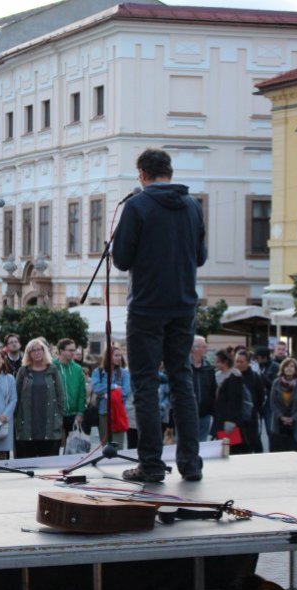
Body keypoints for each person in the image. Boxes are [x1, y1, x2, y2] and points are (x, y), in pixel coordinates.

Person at [111, 148, 206, 483]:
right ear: (169, 171)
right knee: (182, 382)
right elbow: (201, 257)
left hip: (147, 308)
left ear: (141, 173)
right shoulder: (193, 206)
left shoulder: (136, 206)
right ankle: (190, 463)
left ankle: (151, 465)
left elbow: (121, 260)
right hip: (183, 306)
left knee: (146, 384)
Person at [14, 339, 65, 458]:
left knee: (49, 466)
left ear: (44, 351)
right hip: (27, 426)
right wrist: (16, 418)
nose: (36, 352)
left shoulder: (52, 370)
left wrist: (59, 415)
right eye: (33, 350)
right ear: (28, 353)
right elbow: (16, 396)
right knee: (26, 465)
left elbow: (60, 395)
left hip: (49, 426)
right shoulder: (23, 371)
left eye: (39, 349)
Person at [91, 345, 131, 449]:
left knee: (117, 447)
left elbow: (125, 392)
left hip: (118, 413)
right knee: (105, 447)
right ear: (109, 356)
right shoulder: (98, 372)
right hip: (103, 412)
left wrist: (108, 394)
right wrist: (114, 387)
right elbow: (96, 388)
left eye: (120, 356)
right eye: (116, 355)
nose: (119, 358)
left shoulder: (124, 373)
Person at [213, 349, 249, 454]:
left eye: (218, 361)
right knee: (223, 447)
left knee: (231, 449)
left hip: (230, 420)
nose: (216, 364)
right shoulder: (218, 375)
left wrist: (231, 421)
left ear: (225, 362)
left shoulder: (234, 377)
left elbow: (235, 401)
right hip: (220, 418)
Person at [268, 358, 297, 453]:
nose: (289, 368)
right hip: (279, 422)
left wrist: (293, 418)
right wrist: (281, 417)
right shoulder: (276, 383)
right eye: (286, 366)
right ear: (282, 368)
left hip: (295, 423)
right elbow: (272, 402)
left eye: (291, 366)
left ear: (295, 369)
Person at [53, 338, 86, 449]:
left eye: (74, 350)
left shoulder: (77, 368)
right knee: (55, 446)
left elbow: (82, 393)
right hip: (56, 414)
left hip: (73, 415)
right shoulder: (52, 367)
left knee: (72, 448)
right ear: (61, 351)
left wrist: (80, 412)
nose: (73, 353)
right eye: (70, 350)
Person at [234, 350, 265, 453]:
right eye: (236, 361)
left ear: (248, 363)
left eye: (241, 362)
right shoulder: (230, 375)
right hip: (233, 420)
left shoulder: (255, 377)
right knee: (233, 450)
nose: (238, 364)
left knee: (249, 446)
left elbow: (260, 397)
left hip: (250, 419)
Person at [191, 336, 216, 442]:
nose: (206, 349)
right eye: (203, 347)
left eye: (205, 346)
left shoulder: (208, 368)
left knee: (202, 446)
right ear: (194, 348)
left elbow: (213, 390)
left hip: (204, 415)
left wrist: (211, 410)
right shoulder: (184, 367)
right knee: (185, 445)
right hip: (186, 415)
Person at [254, 346, 279, 441]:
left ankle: (273, 451)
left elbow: (275, 385)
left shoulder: (275, 367)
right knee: (256, 432)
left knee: (271, 430)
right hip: (259, 402)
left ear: (264, 357)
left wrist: (262, 376)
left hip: (269, 403)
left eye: (258, 358)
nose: (256, 360)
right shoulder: (259, 366)